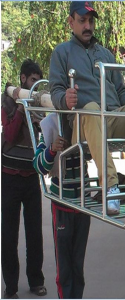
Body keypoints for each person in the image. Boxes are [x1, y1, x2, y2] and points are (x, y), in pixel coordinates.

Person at [48, 1, 125, 215]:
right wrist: (66, 98)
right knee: (91, 107)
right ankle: (110, 185)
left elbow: (120, 92)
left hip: (111, 117)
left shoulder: (106, 54)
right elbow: (55, 92)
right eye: (82, 21)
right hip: (85, 123)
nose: (87, 26)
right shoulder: (62, 52)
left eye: (90, 21)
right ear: (71, 22)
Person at [1, 59, 47, 298]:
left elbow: (45, 131)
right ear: (22, 80)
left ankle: (36, 280)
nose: (35, 86)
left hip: (31, 177)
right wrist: (21, 106)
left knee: (34, 234)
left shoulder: (37, 103)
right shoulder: (7, 101)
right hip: (8, 178)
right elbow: (8, 134)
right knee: (8, 235)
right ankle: (10, 286)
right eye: (32, 81)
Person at [33, 113, 91, 299]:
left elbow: (95, 152)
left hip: (83, 205)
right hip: (62, 206)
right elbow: (38, 166)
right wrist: (52, 149)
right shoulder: (50, 125)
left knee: (78, 265)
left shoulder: (84, 120)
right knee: (64, 268)